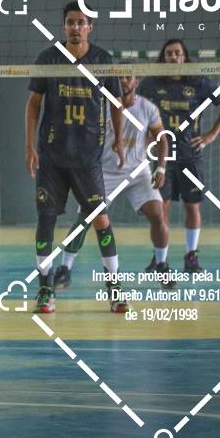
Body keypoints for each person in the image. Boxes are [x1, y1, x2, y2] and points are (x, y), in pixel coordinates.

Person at [24, 1, 128, 314]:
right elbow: (33, 104)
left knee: (101, 220)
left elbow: (116, 103)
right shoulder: (49, 58)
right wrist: (30, 147)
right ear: (64, 26)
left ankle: (114, 288)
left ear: (90, 27)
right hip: (52, 157)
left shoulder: (102, 60)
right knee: (46, 220)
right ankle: (45, 289)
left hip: (88, 157)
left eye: (81, 22)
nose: (75, 27)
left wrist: (119, 139)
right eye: (71, 22)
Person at [55, 74, 175, 289]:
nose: (123, 81)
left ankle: (161, 264)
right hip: (104, 172)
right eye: (119, 77)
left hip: (138, 172)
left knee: (158, 214)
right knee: (85, 219)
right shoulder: (99, 106)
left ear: (136, 82)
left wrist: (161, 167)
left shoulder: (147, 108)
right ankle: (65, 268)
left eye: (128, 77)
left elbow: (162, 139)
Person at [139, 39, 220, 273]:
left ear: (184, 56)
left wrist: (211, 135)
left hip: (190, 156)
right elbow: (137, 108)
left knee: (192, 207)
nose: (173, 57)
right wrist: (146, 136)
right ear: (164, 57)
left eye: (177, 53)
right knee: (161, 209)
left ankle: (191, 257)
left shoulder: (198, 82)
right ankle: (160, 258)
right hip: (163, 158)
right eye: (169, 54)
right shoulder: (151, 83)